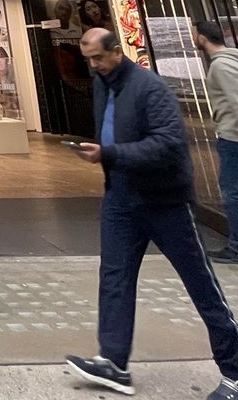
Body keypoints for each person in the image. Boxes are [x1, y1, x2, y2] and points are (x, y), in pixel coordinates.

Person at [66, 28, 238, 400]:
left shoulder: (150, 87)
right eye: (88, 60)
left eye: (97, 58)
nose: (93, 66)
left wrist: (109, 155)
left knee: (200, 284)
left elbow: (168, 144)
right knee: (114, 277)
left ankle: (234, 369)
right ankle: (114, 362)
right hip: (121, 198)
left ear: (116, 52)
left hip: (165, 202)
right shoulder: (102, 83)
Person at [194, 20, 238, 264]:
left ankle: (236, 246)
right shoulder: (233, 58)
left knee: (233, 192)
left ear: (202, 38)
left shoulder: (221, 66)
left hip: (233, 138)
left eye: (193, 34)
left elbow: (236, 100)